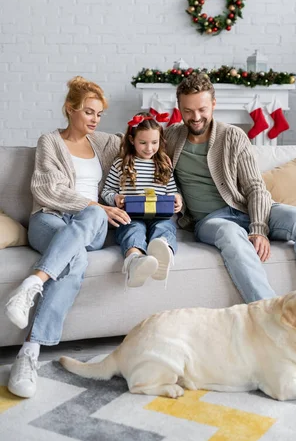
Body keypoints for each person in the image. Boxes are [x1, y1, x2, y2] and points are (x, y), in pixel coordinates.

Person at [164, 72, 296, 355]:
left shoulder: (233, 137)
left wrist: (259, 227)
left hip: (248, 209)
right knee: (228, 232)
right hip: (210, 220)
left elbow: (255, 187)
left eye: (202, 109)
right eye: (188, 111)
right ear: (179, 108)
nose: (196, 117)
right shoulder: (170, 138)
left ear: (214, 104)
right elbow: (139, 155)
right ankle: (275, 326)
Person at [4, 76, 130, 398]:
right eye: (89, 112)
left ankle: (32, 283)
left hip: (93, 223)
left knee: (91, 214)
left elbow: (145, 141)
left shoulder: (104, 143)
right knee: (77, 258)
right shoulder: (49, 141)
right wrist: (94, 204)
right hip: (48, 220)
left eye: (99, 114)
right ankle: (29, 352)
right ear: (70, 109)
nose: (95, 120)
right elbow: (47, 190)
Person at [101, 113, 182, 287]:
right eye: (143, 143)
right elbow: (107, 190)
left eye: (154, 142)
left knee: (165, 227)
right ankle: (134, 260)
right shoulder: (121, 164)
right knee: (133, 229)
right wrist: (116, 198)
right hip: (131, 215)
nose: (149, 148)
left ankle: (163, 251)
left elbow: (172, 191)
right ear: (131, 140)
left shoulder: (164, 165)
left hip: (160, 215)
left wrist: (177, 199)